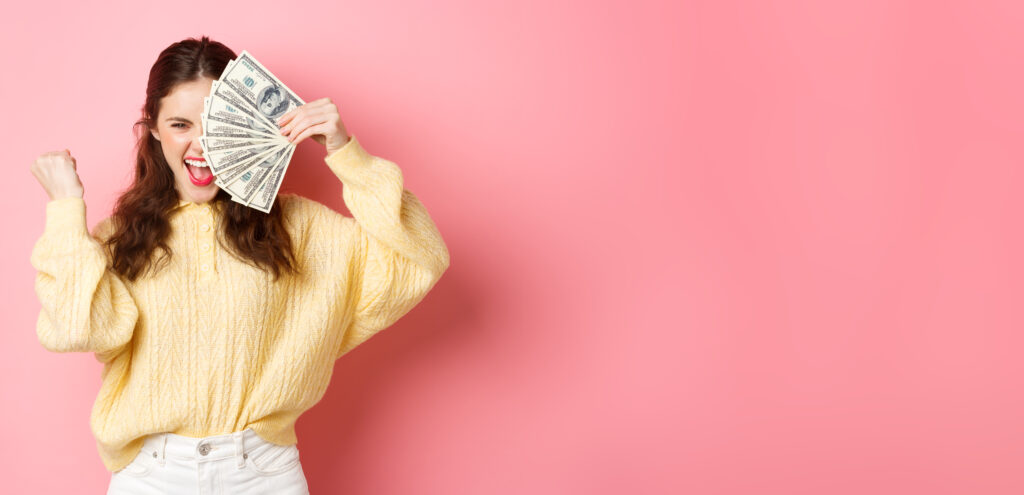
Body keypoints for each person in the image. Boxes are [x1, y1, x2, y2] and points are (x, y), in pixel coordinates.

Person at [29, 36, 451, 494]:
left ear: (246, 121)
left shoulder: (300, 228)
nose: (202, 143)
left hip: (263, 474)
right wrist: (66, 207)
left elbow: (420, 258)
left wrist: (346, 153)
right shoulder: (120, 237)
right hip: (151, 476)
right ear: (153, 129)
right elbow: (75, 329)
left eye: (217, 122)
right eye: (180, 124)